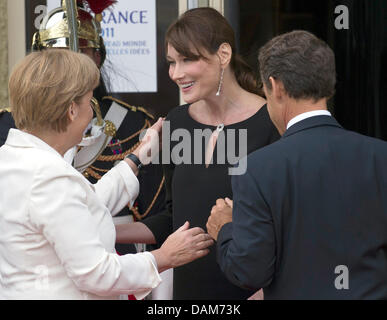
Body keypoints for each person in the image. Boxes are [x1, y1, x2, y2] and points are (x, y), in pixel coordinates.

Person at [0, 49, 213, 300]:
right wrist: (163, 257)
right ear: (71, 110)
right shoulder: (49, 178)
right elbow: (96, 273)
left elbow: (85, 203)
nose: (93, 111)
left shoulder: (13, 159)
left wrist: (138, 158)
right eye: (90, 101)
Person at [206, 30, 387, 299]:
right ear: (328, 84)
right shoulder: (379, 155)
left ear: (275, 87)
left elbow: (249, 272)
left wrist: (225, 229)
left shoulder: (256, 168)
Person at [115, 7, 280, 299]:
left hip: (249, 292)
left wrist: (269, 292)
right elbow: (174, 218)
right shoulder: (177, 121)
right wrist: (103, 231)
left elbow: (288, 223)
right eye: (171, 62)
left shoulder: (271, 121)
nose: (176, 74)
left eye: (188, 59)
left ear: (223, 55)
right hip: (189, 291)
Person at [0, 1, 166, 257]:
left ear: (97, 58)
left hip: (117, 254)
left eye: (78, 55)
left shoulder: (133, 124)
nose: (68, 68)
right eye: (57, 56)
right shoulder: (7, 126)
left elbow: (153, 216)